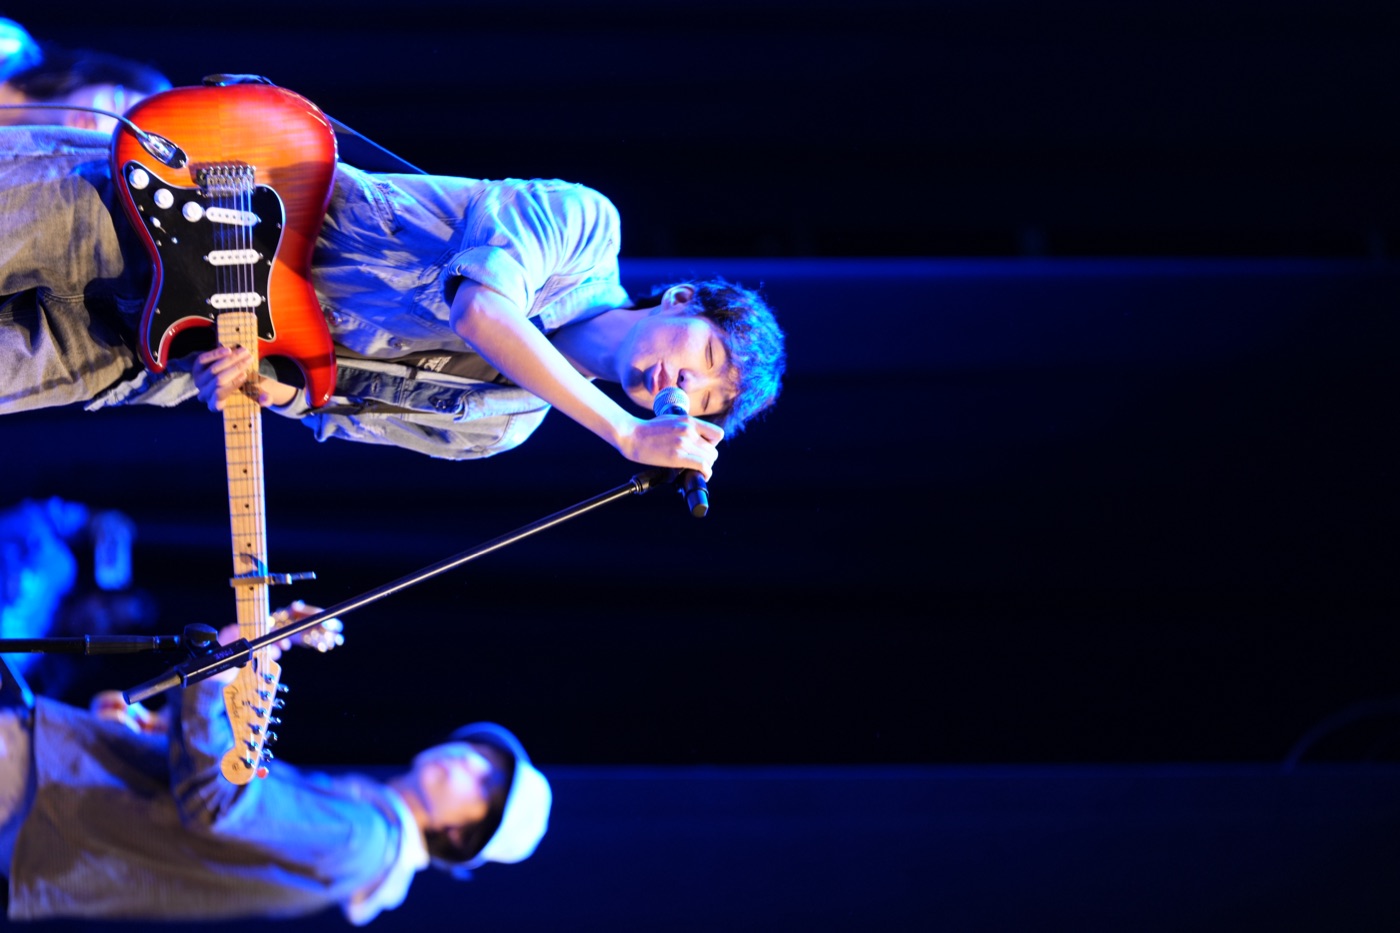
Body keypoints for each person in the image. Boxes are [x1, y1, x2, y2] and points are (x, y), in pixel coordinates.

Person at [0, 118, 786, 479]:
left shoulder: (499, 430)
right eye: (706, 357)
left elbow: (325, 406)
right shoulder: (584, 228)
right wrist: (620, 433)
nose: (684, 390)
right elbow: (481, 308)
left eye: (704, 402)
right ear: (681, 300)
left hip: (148, 351)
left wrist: (253, 384)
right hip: (162, 214)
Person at [0, 616, 552, 923]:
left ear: (459, 834)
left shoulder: (362, 841)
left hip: (38, 791)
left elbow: (215, 807)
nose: (470, 762)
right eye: (485, 756)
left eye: (486, 784)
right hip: (50, 795)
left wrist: (214, 681)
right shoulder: (360, 830)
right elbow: (206, 800)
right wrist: (147, 731)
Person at [0, 44, 172, 133]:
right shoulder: (10, 50)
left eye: (119, 130)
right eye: (117, 103)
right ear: (106, 77)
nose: (101, 121)